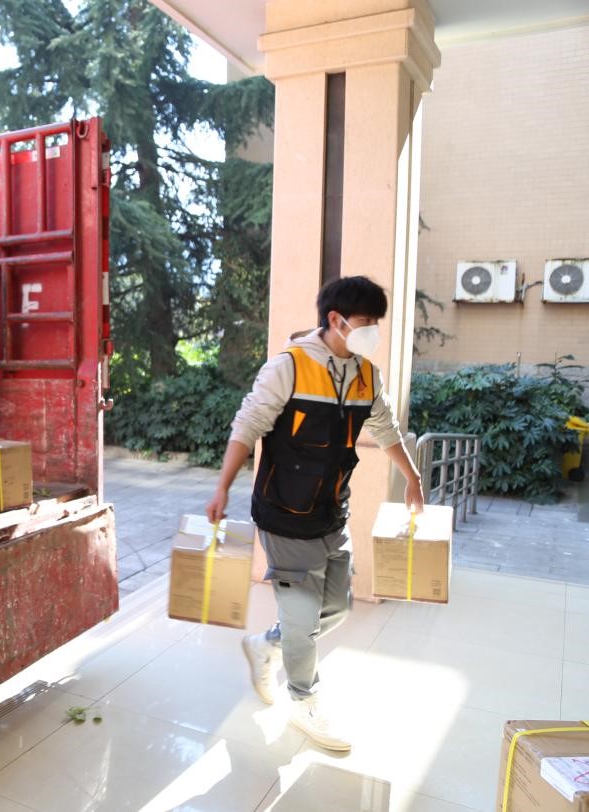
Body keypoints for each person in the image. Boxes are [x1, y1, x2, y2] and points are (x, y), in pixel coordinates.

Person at [204, 275, 424, 752]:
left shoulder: (366, 376)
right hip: (283, 510)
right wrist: (221, 486)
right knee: (303, 616)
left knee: (337, 608)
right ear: (335, 319)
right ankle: (304, 700)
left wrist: (412, 477)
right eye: (366, 321)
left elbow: (386, 429)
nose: (373, 331)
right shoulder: (289, 366)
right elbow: (249, 423)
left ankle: (267, 644)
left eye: (376, 322)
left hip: (331, 510)